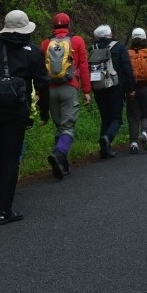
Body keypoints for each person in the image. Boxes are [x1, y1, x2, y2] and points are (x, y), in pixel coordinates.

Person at [0, 10, 51, 224]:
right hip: (17, 111)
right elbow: (43, 83)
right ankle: (3, 210)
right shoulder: (32, 52)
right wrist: (44, 112)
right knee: (10, 156)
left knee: (1, 152)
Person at [41, 12, 91, 179]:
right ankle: (59, 153)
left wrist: (40, 94)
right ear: (69, 25)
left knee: (59, 126)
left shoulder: (45, 43)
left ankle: (63, 165)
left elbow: (41, 69)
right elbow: (83, 66)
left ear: (53, 26)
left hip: (50, 89)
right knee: (68, 127)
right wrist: (86, 91)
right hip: (69, 87)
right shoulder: (76, 41)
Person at [89, 24, 133, 158]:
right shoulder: (119, 47)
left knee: (105, 118)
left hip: (97, 86)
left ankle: (104, 150)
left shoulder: (92, 48)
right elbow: (127, 68)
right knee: (116, 118)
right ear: (110, 34)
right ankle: (108, 137)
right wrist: (130, 88)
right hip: (115, 86)